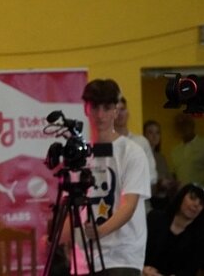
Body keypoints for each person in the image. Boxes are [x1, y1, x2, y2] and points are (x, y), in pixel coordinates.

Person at [61, 79, 151, 276]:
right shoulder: (78, 155)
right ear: (86, 109)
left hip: (122, 254)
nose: (100, 115)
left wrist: (100, 231)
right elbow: (72, 206)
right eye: (95, 107)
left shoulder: (131, 152)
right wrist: (58, 237)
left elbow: (129, 205)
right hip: (84, 257)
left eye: (107, 107)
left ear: (116, 110)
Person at [143, 183, 204, 276]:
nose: (196, 204)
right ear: (181, 197)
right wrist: (142, 268)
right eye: (192, 198)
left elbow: (190, 270)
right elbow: (136, 249)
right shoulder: (155, 218)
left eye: (201, 203)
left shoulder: (199, 237)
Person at [115, 98, 157, 192]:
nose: (120, 114)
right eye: (116, 110)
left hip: (140, 198)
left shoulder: (141, 142)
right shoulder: (108, 144)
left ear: (128, 112)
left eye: (123, 109)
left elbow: (152, 175)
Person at [143, 120, 174, 210]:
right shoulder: (140, 156)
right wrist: (158, 185)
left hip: (163, 201)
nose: (154, 136)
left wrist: (172, 183)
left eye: (157, 132)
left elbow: (168, 177)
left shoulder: (161, 157)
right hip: (148, 202)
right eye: (150, 132)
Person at [169, 113, 204, 187]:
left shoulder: (202, 145)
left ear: (192, 125)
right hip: (182, 194)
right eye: (179, 125)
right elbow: (173, 175)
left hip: (201, 194)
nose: (183, 128)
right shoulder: (175, 151)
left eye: (185, 124)